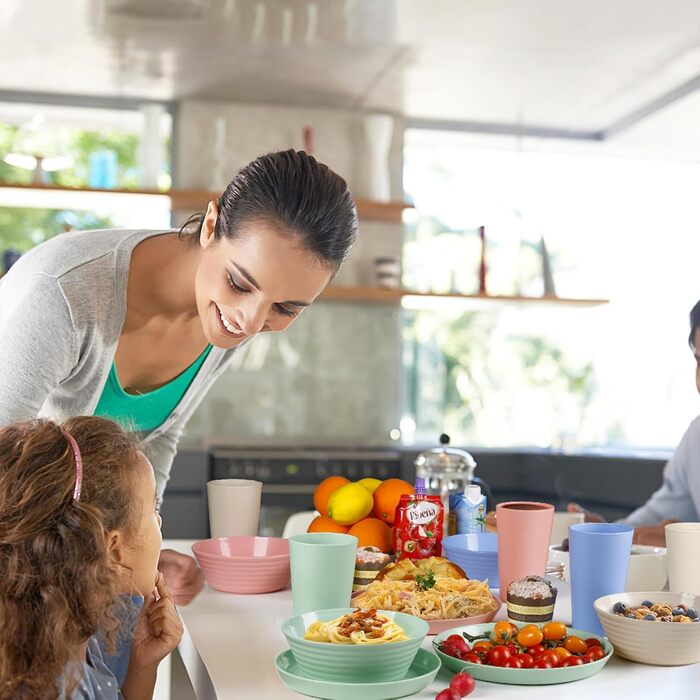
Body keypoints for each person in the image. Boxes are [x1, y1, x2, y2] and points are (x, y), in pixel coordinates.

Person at [0, 149, 358, 606]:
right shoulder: (63, 295)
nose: (250, 321)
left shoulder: (225, 319)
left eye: (285, 308)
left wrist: (143, 545)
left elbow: (156, 437)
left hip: (75, 569)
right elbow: (5, 472)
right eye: (240, 283)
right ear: (211, 226)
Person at [0, 416, 183, 699]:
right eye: (152, 509)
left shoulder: (73, 635)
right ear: (112, 549)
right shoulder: (62, 687)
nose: (159, 521)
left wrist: (143, 667)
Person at [569, 299, 700, 546]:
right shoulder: (697, 438)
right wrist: (610, 533)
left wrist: (688, 543)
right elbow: (663, 513)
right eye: (699, 361)